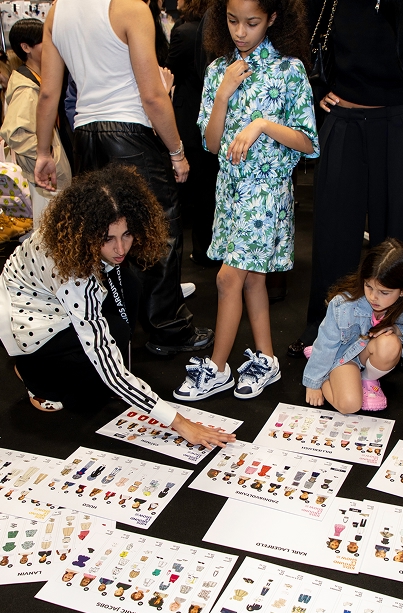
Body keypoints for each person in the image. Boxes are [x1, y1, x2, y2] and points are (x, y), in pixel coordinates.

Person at [0, 165, 236, 450]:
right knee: (86, 396)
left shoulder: (80, 239)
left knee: (129, 291)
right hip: (28, 319)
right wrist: (181, 423)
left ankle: (86, 373)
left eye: (127, 234)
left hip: (54, 294)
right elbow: (105, 362)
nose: (121, 248)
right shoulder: (73, 274)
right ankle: (33, 373)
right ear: (88, 234)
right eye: (108, 239)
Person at [33, 0, 213, 357]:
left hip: (85, 136)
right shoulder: (130, 8)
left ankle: (115, 325)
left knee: (102, 235)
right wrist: (177, 152)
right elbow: (152, 95)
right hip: (130, 134)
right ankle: (168, 329)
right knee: (158, 231)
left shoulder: (57, 12)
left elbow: (49, 92)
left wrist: (43, 152)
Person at [288, 0, 403, 369]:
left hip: (398, 125)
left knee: (394, 240)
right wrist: (318, 89)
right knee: (333, 236)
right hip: (343, 121)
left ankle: (396, 335)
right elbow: (306, 45)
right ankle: (324, 329)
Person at [173, 0, 318, 402]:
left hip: (266, 192)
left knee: (226, 278)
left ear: (272, 18)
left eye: (251, 22)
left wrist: (262, 125)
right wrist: (222, 93)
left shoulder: (289, 70)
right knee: (252, 278)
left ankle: (217, 367)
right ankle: (266, 359)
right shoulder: (219, 69)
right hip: (229, 190)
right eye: (232, 21)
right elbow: (211, 144)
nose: (240, 32)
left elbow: (309, 142)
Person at [303, 239, 403, 414]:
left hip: (370, 353)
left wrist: (399, 331)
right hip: (344, 354)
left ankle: (367, 379)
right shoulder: (344, 304)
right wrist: (313, 383)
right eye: (368, 286)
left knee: (390, 343)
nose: (373, 297)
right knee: (350, 405)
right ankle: (326, 374)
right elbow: (326, 343)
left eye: (384, 292)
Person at [0, 19, 72, 230]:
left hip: (48, 179)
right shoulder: (26, 87)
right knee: (52, 235)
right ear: (26, 47)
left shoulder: (38, 80)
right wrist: (49, 156)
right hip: (45, 181)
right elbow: (15, 133)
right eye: (45, 42)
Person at [166, 0, 220, 267]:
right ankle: (206, 248)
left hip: (188, 118)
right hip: (214, 118)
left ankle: (187, 253)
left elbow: (169, 72)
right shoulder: (217, 30)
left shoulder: (184, 32)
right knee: (208, 188)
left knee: (188, 189)